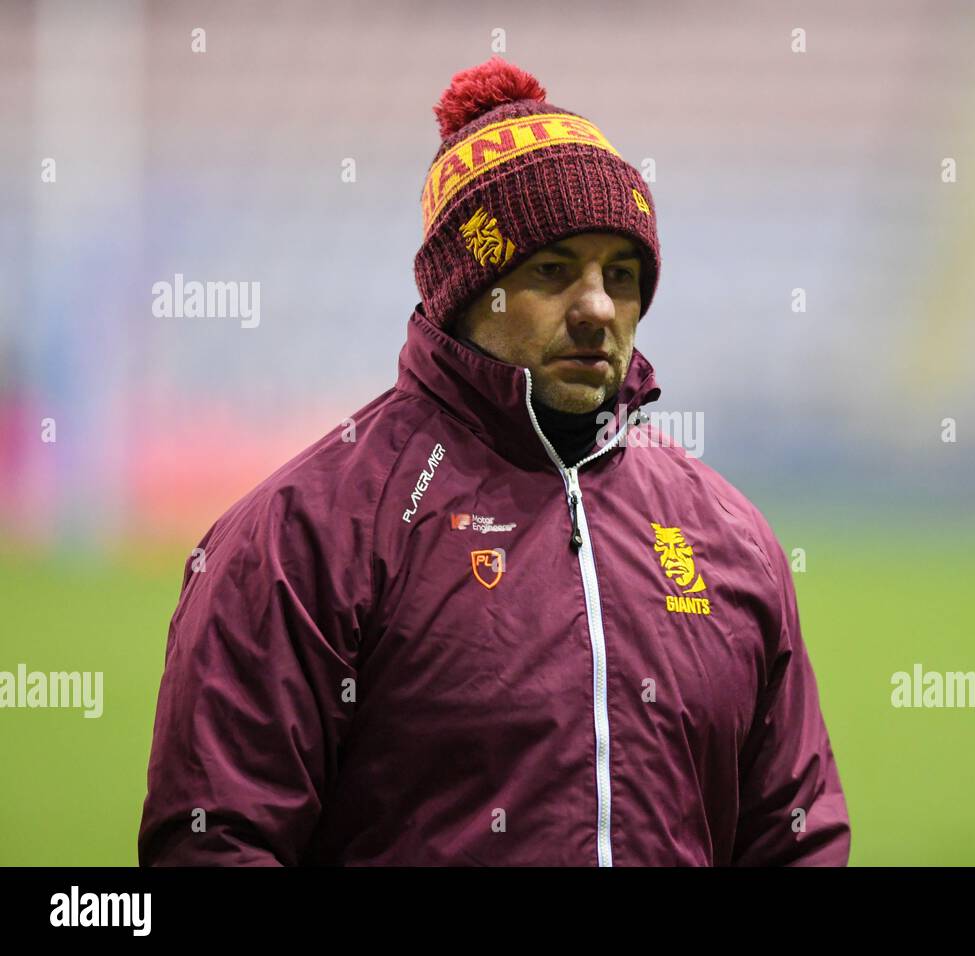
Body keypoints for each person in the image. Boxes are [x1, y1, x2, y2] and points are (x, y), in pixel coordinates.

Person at [138, 55, 850, 866]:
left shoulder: (731, 538)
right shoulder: (301, 538)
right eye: (551, 271)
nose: (596, 308)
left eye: (621, 275)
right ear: (469, 291)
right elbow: (216, 842)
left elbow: (796, 832)